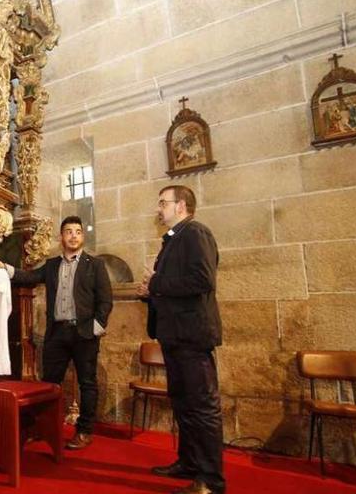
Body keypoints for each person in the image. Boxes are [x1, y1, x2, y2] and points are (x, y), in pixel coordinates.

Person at [0, 216, 112, 450]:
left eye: (78, 231)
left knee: (87, 383)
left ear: (82, 237)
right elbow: (30, 276)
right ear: (61, 237)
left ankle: (84, 431)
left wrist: (96, 327)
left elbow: (105, 301)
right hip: (57, 334)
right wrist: (4, 268)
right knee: (50, 383)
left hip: (84, 333)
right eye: (69, 231)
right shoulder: (52, 265)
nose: (74, 235)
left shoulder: (94, 265)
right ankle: (44, 428)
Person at [136, 185, 224, 494]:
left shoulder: (195, 233)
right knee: (184, 405)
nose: (159, 209)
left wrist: (156, 283)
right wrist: (150, 294)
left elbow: (202, 280)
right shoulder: (173, 239)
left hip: (192, 336)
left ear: (181, 206)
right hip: (174, 336)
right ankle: (188, 463)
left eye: (163, 203)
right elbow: (173, 290)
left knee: (202, 407)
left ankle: (211, 480)